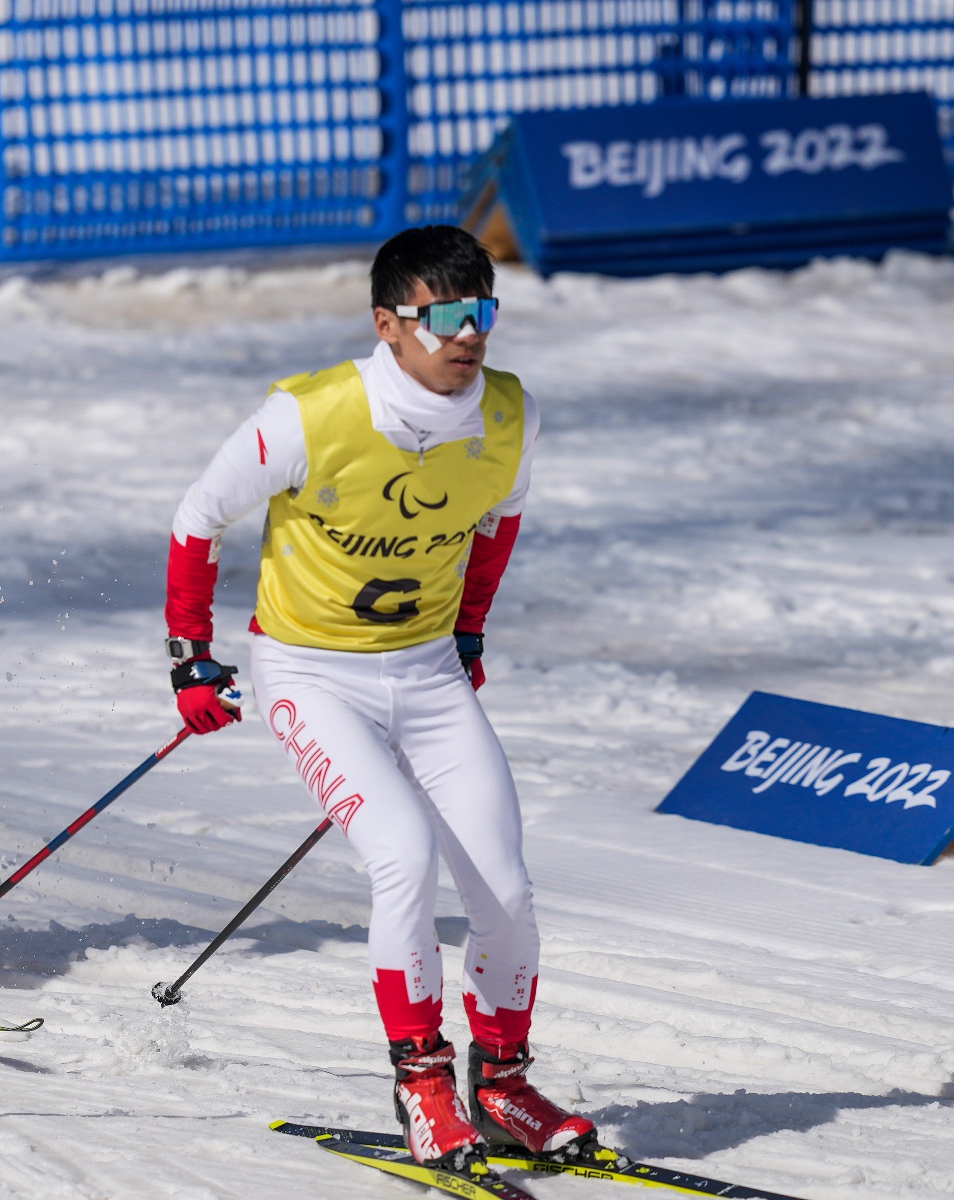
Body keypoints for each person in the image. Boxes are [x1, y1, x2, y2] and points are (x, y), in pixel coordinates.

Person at [161, 226, 595, 1170]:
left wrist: (471, 629)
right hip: (309, 671)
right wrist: (191, 657)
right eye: (443, 316)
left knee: (507, 893)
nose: (468, 334)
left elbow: (500, 520)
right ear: (388, 325)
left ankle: (505, 1085)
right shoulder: (310, 413)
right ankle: (422, 1085)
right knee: (401, 855)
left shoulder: (508, 412)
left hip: (426, 670)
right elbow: (200, 516)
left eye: (482, 311)